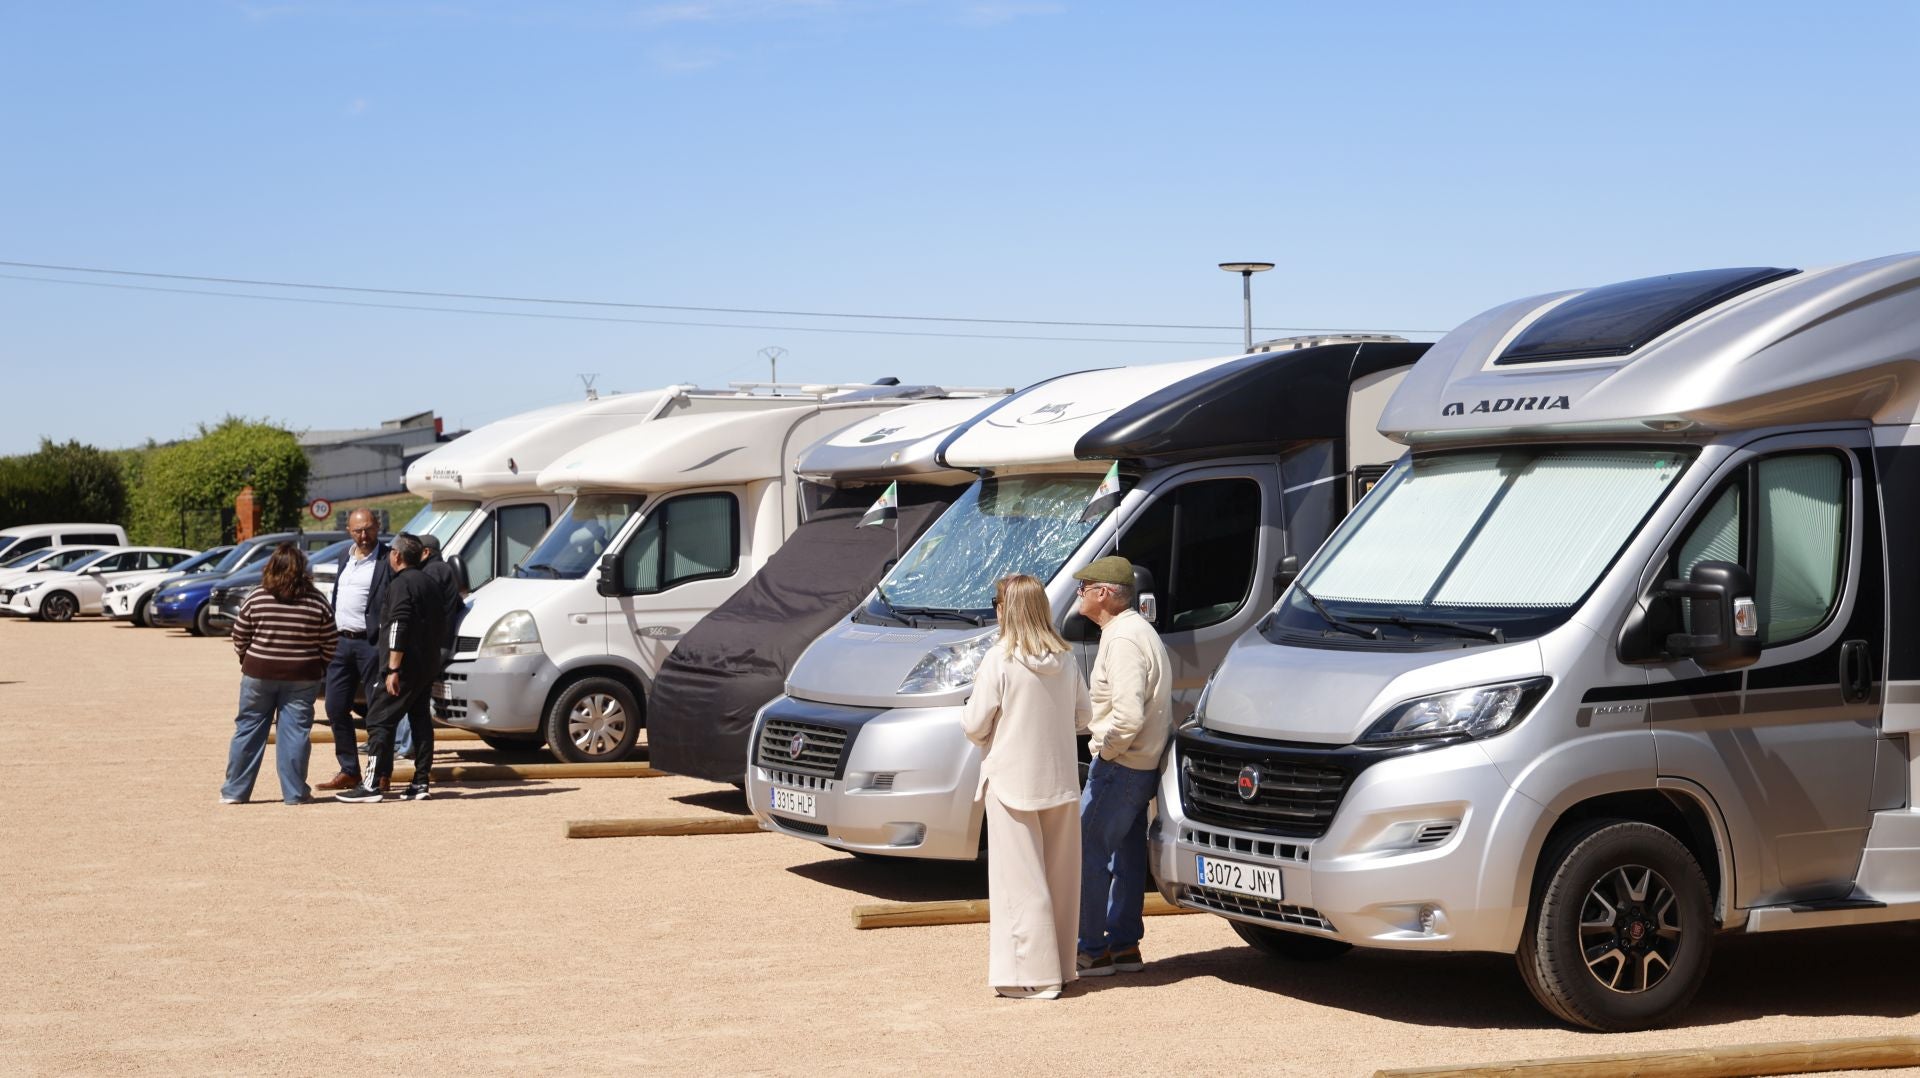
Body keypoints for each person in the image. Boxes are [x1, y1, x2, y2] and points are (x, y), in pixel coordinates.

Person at [961, 574, 1090, 1000]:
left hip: (1011, 781)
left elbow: (974, 724)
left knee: (1021, 884)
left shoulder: (999, 659)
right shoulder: (1066, 658)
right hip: (1060, 781)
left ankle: (1033, 976)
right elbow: (1083, 719)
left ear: (1005, 610)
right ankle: (1062, 968)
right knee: (1060, 880)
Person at [1072, 554, 1172, 978]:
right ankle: (1124, 946)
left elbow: (1128, 715)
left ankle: (1091, 949)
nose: (1078, 595)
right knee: (1127, 855)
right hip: (1139, 764)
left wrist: (1105, 750)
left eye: (1083, 587)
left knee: (1086, 851)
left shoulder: (1123, 638)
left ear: (1104, 594)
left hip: (1121, 765)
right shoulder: (1134, 631)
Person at [220, 543, 337, 805]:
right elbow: (330, 640)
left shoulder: (258, 596)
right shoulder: (316, 600)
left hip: (258, 673)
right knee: (295, 734)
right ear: (301, 570)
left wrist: (247, 659)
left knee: (248, 730)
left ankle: (234, 792)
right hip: (303, 675)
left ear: (272, 566)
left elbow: (239, 634)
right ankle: (294, 793)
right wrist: (319, 666)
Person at [337, 533, 447, 803]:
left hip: (404, 666)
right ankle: (420, 782)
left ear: (396, 556)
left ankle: (371, 784)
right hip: (427, 663)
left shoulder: (400, 584)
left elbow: (398, 625)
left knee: (377, 719)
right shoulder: (429, 582)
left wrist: (393, 668)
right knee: (421, 721)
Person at [407, 533, 465, 750]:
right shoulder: (443, 569)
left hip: (430, 643)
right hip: (440, 641)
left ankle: (406, 746)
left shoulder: (431, 572)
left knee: (412, 695)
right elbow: (458, 604)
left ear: (426, 552)